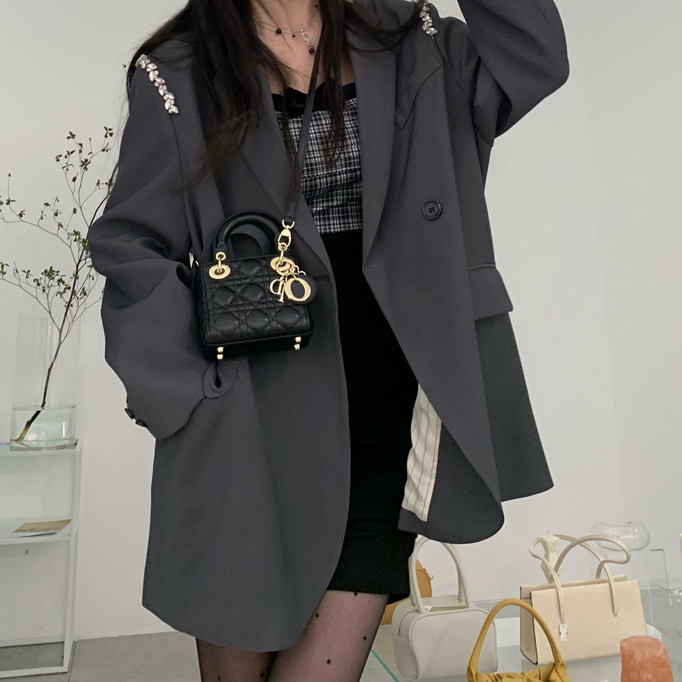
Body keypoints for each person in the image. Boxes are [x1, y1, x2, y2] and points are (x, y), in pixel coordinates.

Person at [87, 0, 569, 679]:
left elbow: (534, 59)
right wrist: (191, 396)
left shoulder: (411, 36)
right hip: (249, 412)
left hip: (387, 411)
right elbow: (131, 241)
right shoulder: (181, 70)